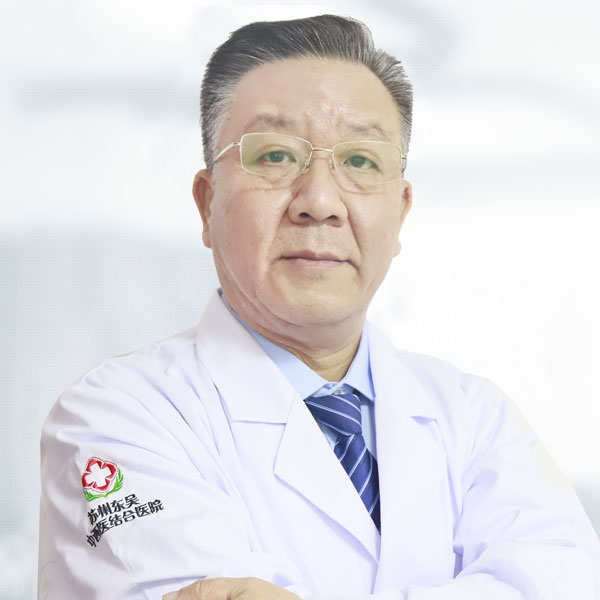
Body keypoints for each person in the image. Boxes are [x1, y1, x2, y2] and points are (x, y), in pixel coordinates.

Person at [38, 14, 600, 600]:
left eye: (360, 161)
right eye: (275, 155)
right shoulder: (114, 420)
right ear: (207, 204)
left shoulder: (475, 417)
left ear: (401, 212)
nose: (321, 202)